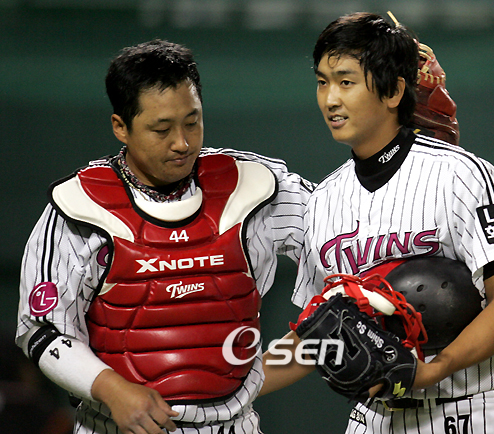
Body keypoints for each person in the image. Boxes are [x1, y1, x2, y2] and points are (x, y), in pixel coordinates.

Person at [16, 39, 314, 434]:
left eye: (192, 122)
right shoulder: (78, 207)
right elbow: (41, 330)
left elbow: (349, 243)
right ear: (120, 127)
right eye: (162, 129)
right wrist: (112, 389)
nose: (182, 143)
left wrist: (302, 353)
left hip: (234, 424)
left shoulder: (255, 186)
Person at [260, 12, 494, 434]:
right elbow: (319, 332)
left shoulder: (461, 176)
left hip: (469, 410)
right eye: (322, 82)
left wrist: (435, 369)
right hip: (372, 418)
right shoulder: (323, 201)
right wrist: (223, 393)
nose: (330, 99)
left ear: (393, 91)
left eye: (346, 82)